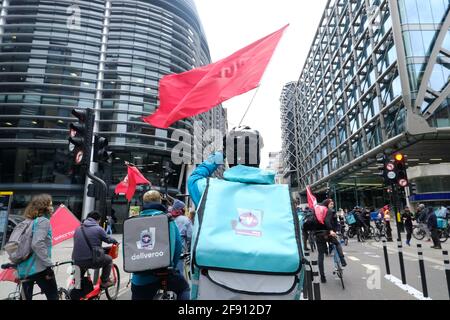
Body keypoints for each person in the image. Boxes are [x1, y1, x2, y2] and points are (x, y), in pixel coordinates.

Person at [130, 190, 190, 300]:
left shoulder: (133, 222)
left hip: (140, 278)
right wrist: (172, 265)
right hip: (164, 272)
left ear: (144, 202)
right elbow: (177, 248)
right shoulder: (168, 220)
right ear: (159, 201)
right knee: (184, 289)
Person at [17, 194, 58, 300]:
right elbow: (37, 244)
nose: (52, 208)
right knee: (53, 296)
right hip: (39, 268)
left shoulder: (27, 222)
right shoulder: (43, 221)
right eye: (50, 205)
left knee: (25, 298)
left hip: (25, 268)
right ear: (44, 207)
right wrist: (48, 264)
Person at [72, 211, 118, 289]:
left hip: (76, 260)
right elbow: (108, 239)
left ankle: (75, 286)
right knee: (109, 260)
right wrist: (115, 241)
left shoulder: (78, 228)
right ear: (98, 220)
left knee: (78, 279)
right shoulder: (98, 229)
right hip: (91, 260)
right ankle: (104, 281)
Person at [313, 199, 347, 283]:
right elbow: (327, 221)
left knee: (320, 255)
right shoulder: (328, 211)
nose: (332, 206)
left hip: (318, 234)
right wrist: (331, 230)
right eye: (331, 204)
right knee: (337, 243)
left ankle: (322, 277)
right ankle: (342, 260)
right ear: (327, 204)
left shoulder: (317, 211)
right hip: (327, 233)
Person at [169, 199, 192, 277]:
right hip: (180, 253)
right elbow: (190, 237)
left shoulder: (168, 218)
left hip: (167, 254)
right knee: (179, 276)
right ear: (181, 209)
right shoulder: (185, 220)